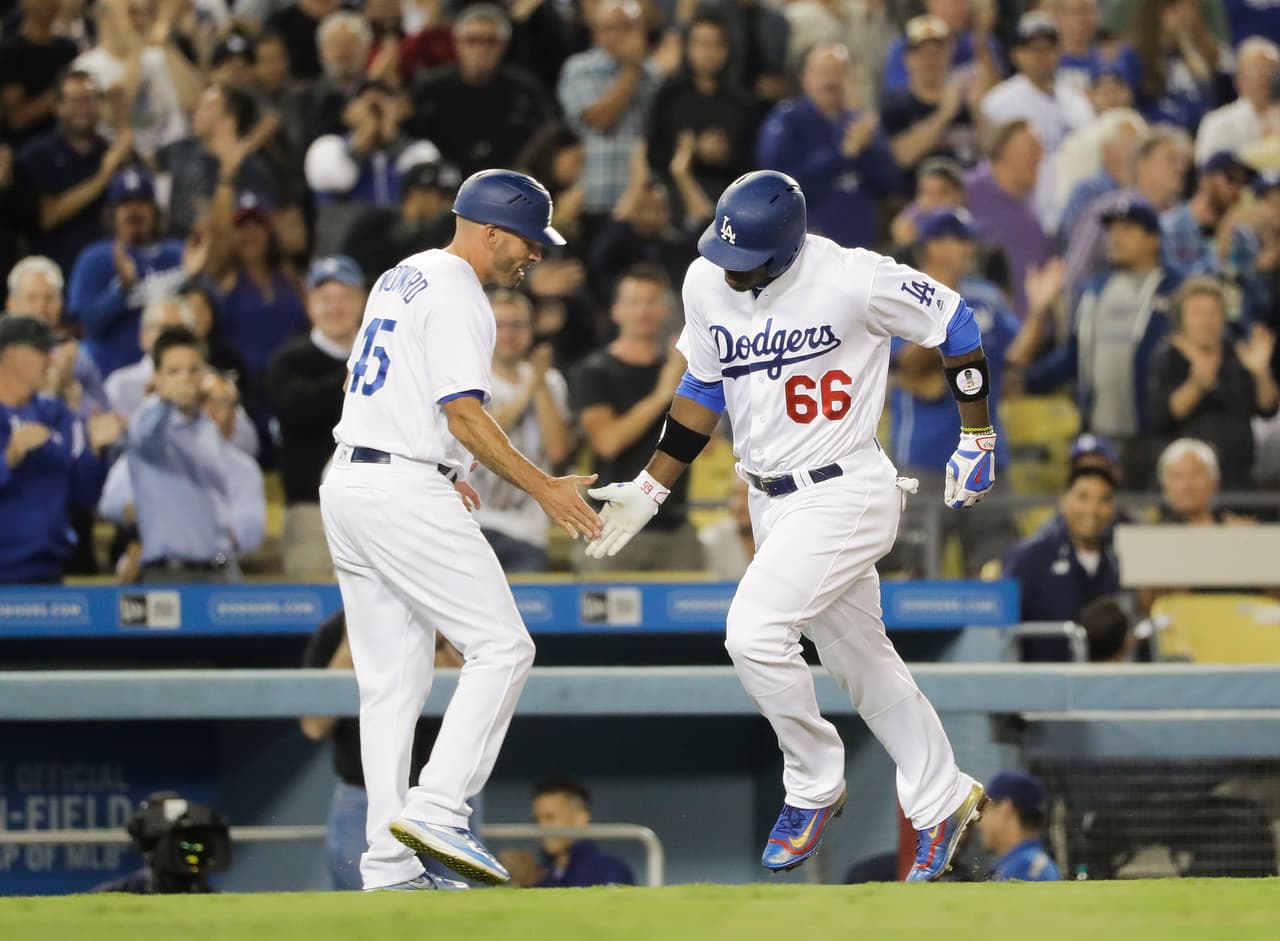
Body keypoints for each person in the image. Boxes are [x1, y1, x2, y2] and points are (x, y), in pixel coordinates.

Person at [585, 170, 993, 881]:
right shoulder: (706, 279)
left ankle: (812, 783)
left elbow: (956, 322)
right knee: (865, 664)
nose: (729, 269)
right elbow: (701, 387)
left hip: (847, 489)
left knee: (752, 631)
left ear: (787, 246)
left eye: (745, 260)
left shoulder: (853, 276)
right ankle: (943, 796)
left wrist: (977, 435)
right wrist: (653, 484)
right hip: (768, 500)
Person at [318, 169, 602, 892]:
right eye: (530, 241)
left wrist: (447, 467)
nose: (534, 255)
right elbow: (466, 414)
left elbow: (380, 382)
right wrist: (542, 488)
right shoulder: (461, 295)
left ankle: (387, 864)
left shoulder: (403, 274)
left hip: (352, 478)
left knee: (391, 684)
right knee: (504, 646)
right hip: (399, 487)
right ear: (492, 231)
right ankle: (441, 806)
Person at [888, 209, 1028, 576]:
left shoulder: (987, 298)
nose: (970, 248)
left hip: (985, 453)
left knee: (993, 564)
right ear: (934, 246)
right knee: (914, 568)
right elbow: (906, 364)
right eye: (961, 240)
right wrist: (944, 308)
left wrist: (1042, 311)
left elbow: (1018, 355)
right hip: (924, 458)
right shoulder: (902, 296)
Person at [300, 610, 462, 890]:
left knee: (460, 917)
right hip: (364, 799)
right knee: (365, 913)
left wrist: (435, 643)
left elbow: (475, 709)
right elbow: (314, 726)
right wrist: (350, 647)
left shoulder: (449, 618)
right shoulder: (336, 630)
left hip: (442, 799)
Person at [1024, 197, 1181, 486]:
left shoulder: (1176, 289)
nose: (1116, 238)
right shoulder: (1094, 290)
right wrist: (1026, 380)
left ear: (1152, 239)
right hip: (1098, 433)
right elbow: (1074, 355)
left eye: (1128, 229)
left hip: (1154, 434)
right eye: (1113, 230)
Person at [572, 264, 703, 572]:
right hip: (610, 521)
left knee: (694, 618)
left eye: (652, 301)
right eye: (634, 302)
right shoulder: (594, 371)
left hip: (675, 523)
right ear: (616, 310)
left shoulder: (685, 368)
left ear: (667, 310)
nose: (643, 311)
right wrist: (663, 393)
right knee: (601, 617)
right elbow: (608, 442)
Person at [101, 368, 266, 580]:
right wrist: (156, 517)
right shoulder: (154, 452)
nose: (211, 411)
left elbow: (248, 530)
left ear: (235, 414)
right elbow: (112, 503)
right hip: (161, 565)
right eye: (204, 400)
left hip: (219, 567)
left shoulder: (244, 468)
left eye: (221, 402)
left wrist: (190, 532)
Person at [121, 326, 256, 583]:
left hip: (220, 571)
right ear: (157, 378)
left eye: (194, 370)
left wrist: (225, 403)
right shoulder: (147, 423)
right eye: (174, 371)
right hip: (168, 573)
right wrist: (165, 402)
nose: (186, 379)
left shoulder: (209, 428)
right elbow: (145, 436)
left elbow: (246, 457)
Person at [0, 315, 122, 584]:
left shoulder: (57, 414)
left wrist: (96, 451)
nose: (52, 359)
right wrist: (9, 458)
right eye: (41, 351)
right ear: (10, 355)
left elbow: (86, 493)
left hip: (47, 573)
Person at [267, 256, 367, 579]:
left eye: (345, 297)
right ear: (309, 304)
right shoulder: (289, 361)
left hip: (376, 508)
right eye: (325, 299)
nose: (335, 308)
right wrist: (357, 371)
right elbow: (296, 408)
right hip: (312, 511)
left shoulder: (388, 359)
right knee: (316, 604)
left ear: (363, 301)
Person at [756, 41, 901, 251]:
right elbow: (777, 187)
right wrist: (842, 154)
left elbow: (889, 184)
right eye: (822, 72)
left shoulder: (860, 124)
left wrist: (868, 149)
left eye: (838, 72)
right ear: (805, 77)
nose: (830, 80)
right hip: (807, 246)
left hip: (862, 248)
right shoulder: (789, 119)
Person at [471, 289, 571, 573]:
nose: (509, 334)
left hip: (526, 532)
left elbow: (558, 451)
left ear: (531, 329)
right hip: (472, 524)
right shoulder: (471, 378)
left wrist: (538, 384)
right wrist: (529, 389)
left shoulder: (550, 381)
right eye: (499, 325)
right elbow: (480, 438)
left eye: (517, 325)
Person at [1148, 276, 1278, 489]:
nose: (1207, 321)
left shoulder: (1238, 355)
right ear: (1182, 319)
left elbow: (1267, 409)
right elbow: (1163, 417)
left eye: (1214, 312)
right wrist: (1197, 385)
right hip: (1188, 483)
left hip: (1239, 477)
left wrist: (1262, 374)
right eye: (1198, 313)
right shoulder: (1168, 356)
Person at [407, 4, 555, 179]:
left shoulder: (525, 90)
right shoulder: (429, 90)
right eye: (472, 40)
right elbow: (412, 142)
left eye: (490, 41)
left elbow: (546, 139)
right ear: (457, 44)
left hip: (510, 186)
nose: (481, 50)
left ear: (504, 46)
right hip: (444, 186)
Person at [65, 167, 188, 377]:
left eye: (142, 202)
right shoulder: (96, 258)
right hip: (110, 378)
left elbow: (207, 318)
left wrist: (195, 278)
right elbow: (88, 326)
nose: (134, 211)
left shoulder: (179, 255)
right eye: (125, 204)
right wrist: (123, 289)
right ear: (112, 213)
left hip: (175, 375)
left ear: (155, 210)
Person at [979, 11, 1094, 234]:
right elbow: (992, 168)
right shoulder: (999, 102)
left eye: (1048, 48)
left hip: (1073, 210)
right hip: (1022, 210)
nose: (1041, 56)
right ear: (1016, 54)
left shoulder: (1078, 103)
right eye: (1033, 48)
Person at [556, 0, 662, 238]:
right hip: (596, 197)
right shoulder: (579, 68)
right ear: (596, 33)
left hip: (644, 204)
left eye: (630, 27)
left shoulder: (655, 74)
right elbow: (602, 119)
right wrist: (632, 68)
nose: (623, 35)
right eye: (613, 27)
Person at [14, 69, 131, 274]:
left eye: (90, 99)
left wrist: (121, 122)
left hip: (112, 267)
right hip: (60, 269)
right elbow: (48, 216)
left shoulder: (110, 150)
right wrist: (103, 178)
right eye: (75, 100)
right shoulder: (38, 153)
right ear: (57, 106)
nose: (84, 108)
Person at [1000, 466, 1120, 624]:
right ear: (1064, 500)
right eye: (1083, 497)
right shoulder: (1029, 558)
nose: (1093, 510)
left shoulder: (1117, 561)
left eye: (1104, 500)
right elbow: (1002, 626)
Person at [964, 120, 1052, 319]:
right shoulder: (968, 191)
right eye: (1032, 150)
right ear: (1004, 153)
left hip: (1032, 330)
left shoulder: (1037, 201)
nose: (1040, 157)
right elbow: (907, 228)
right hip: (983, 329)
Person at [880, 14, 986, 176]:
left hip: (967, 195)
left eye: (937, 53)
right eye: (922, 53)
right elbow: (900, 157)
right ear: (907, 58)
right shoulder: (896, 106)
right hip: (918, 197)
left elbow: (992, 151)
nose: (930, 61)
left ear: (949, 55)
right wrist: (944, 115)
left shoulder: (967, 101)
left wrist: (977, 110)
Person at [5, 256, 108, 416]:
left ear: (61, 304)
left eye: (49, 298)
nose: (41, 308)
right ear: (11, 304)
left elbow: (104, 415)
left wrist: (70, 387)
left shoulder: (76, 357)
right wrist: (52, 389)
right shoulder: (4, 357)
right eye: (32, 298)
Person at [498, 778, 635, 888]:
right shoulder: (540, 872)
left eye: (550, 817)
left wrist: (536, 883)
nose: (541, 826)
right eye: (537, 820)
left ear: (580, 819)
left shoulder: (610, 869)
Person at [341, 158, 462, 282]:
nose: (449, 205)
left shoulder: (445, 234)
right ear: (417, 194)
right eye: (443, 196)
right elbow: (345, 271)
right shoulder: (375, 224)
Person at [0, 0, 79, 147]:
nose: (47, 4)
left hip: (67, 146)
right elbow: (17, 120)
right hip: (25, 148)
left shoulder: (68, 49)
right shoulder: (11, 51)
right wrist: (59, 94)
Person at [1194, 37, 1279, 165]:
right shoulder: (1217, 123)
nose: (1265, 79)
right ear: (1240, 79)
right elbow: (1209, 174)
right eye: (1257, 72)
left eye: (1271, 71)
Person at [977, 770, 1061, 882]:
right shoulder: (1024, 865)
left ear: (1005, 809)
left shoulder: (1024, 870)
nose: (980, 823)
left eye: (985, 810)